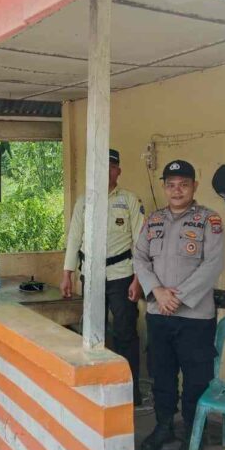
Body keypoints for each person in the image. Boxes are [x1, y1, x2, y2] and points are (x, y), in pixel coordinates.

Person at [133, 160, 225, 450]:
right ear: (164, 187)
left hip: (195, 317)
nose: (177, 190)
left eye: (184, 184)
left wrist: (179, 297)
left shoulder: (209, 220)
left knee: (196, 379)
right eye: (171, 185)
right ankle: (164, 427)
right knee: (162, 375)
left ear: (194, 186)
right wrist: (157, 291)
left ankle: (192, 435)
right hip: (159, 313)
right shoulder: (154, 220)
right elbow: (139, 257)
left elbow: (213, 263)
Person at [61, 149, 145, 405]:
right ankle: (96, 389)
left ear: (118, 171)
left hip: (122, 275)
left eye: (111, 167)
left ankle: (129, 392)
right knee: (92, 332)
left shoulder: (129, 200)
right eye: (101, 167)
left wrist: (138, 279)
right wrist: (67, 274)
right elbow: (74, 238)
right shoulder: (84, 201)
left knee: (125, 333)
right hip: (91, 275)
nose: (106, 171)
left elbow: (141, 242)